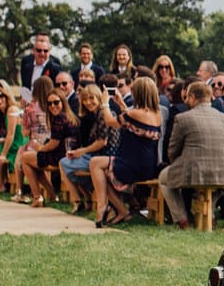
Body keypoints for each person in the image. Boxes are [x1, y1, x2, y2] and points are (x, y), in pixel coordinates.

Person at [157, 79, 224, 228]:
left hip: (193, 171)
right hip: (223, 172)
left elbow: (172, 150)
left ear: (191, 97)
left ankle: (181, 218)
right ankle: (209, 213)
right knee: (214, 187)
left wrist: (177, 163)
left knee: (163, 179)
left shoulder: (183, 118)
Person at [91, 75, 161, 226]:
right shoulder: (157, 113)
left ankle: (102, 207)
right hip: (149, 165)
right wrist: (122, 104)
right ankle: (121, 210)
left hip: (133, 165)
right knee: (100, 173)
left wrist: (104, 103)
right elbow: (132, 122)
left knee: (95, 163)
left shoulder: (135, 113)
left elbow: (111, 121)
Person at [14, 80, 71, 208]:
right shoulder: (61, 111)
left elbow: (24, 132)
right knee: (32, 161)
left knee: (24, 157)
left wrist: (40, 148)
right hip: (56, 148)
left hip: (48, 148)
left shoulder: (30, 108)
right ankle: (50, 195)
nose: (53, 105)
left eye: (55, 103)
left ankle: (32, 194)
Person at [58, 83, 111, 211]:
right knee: (65, 162)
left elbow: (102, 142)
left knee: (63, 164)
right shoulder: (91, 116)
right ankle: (84, 198)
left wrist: (82, 151)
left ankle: (78, 200)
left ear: (99, 97)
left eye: (91, 98)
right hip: (93, 155)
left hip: (102, 157)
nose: (88, 102)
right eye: (85, 99)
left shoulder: (103, 114)